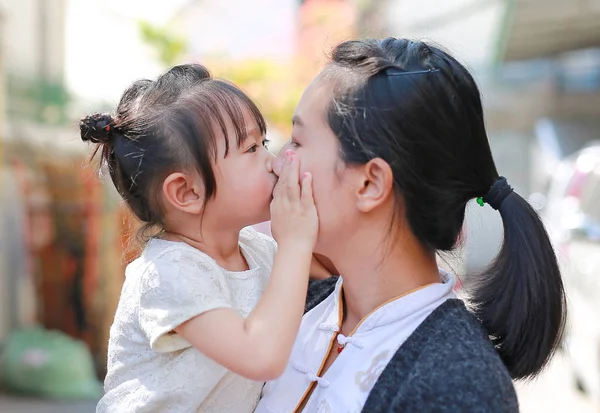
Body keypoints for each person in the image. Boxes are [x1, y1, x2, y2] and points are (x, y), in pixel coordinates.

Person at [256, 38, 566, 412]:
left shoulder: (457, 388)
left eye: (298, 141)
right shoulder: (302, 304)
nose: (277, 163)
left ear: (370, 184)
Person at [80, 64, 327, 413]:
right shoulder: (167, 273)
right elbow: (259, 357)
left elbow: (332, 284)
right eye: (251, 149)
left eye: (264, 143)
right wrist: (297, 243)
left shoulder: (258, 251)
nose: (272, 163)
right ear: (186, 192)